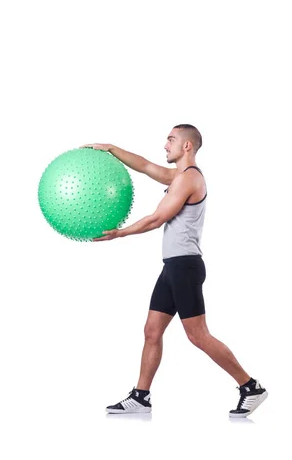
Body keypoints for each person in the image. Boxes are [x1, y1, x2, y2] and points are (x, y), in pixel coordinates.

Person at [83, 124, 268, 418]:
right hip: (173, 266)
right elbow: (144, 166)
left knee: (198, 336)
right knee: (152, 331)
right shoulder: (178, 176)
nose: (165, 145)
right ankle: (141, 397)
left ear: (187, 146)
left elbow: (157, 218)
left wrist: (121, 233)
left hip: (185, 266)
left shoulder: (190, 178)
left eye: (171, 140)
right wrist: (112, 149)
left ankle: (250, 387)